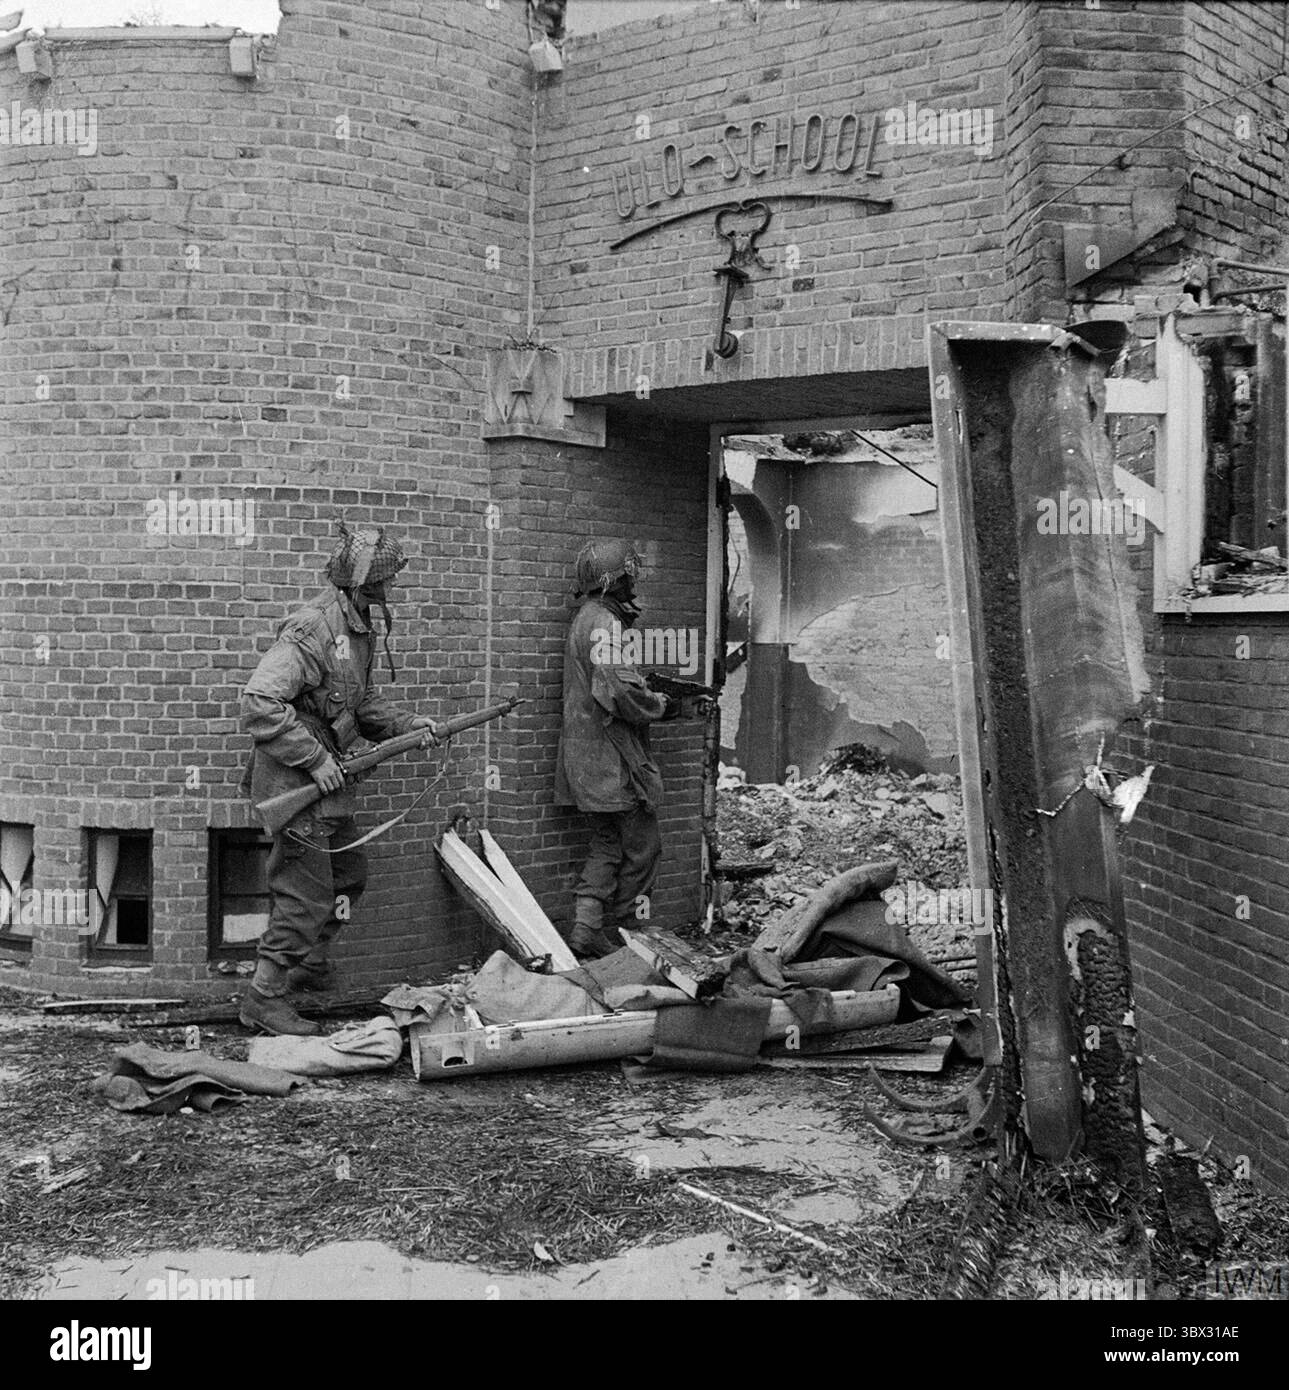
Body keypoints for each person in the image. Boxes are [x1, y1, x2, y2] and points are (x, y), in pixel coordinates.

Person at [239, 522, 438, 1035]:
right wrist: (315, 760)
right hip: (297, 784)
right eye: (384, 581)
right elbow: (259, 702)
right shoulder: (314, 630)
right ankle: (264, 995)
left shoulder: (360, 627)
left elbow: (360, 702)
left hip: (328, 786)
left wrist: (409, 726)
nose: (390, 590)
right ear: (361, 583)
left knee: (349, 878)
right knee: (303, 895)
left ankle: (306, 965)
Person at [554, 539, 677, 959]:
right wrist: (662, 704)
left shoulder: (585, 619)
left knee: (607, 843)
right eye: (627, 576)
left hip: (586, 762)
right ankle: (630, 934)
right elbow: (621, 692)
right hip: (612, 761)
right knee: (644, 847)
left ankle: (586, 931)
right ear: (611, 581)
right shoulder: (605, 624)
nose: (632, 584)